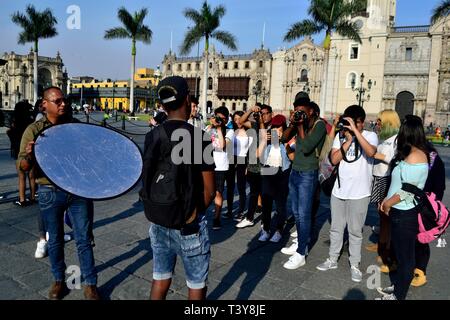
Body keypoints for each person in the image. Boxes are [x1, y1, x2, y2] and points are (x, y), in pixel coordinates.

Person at [18, 87, 100, 300]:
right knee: (54, 239)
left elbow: (91, 157)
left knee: (84, 238)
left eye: (64, 100)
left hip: (78, 191)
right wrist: (29, 155)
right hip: (49, 190)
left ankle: (90, 284)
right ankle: (58, 281)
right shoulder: (34, 130)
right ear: (44, 104)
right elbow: (23, 167)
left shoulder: (76, 127)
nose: (63, 104)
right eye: (58, 101)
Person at [140, 76, 215, 300]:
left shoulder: (153, 135)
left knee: (160, 279)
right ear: (188, 100)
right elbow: (210, 191)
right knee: (196, 285)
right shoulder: (199, 138)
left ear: (162, 105)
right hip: (189, 224)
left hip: (159, 220)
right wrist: (193, 212)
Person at [316, 105, 378, 283]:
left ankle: (355, 264)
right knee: (336, 228)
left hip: (360, 193)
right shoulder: (341, 137)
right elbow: (334, 159)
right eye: (348, 122)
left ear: (361, 122)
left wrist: (356, 135)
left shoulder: (370, 135)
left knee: (355, 231)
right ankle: (332, 259)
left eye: (354, 123)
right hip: (340, 191)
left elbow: (371, 152)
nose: (350, 126)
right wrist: (348, 140)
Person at [376, 115, 429, 300]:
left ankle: (399, 295)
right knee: (399, 253)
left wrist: (388, 203)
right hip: (399, 211)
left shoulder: (417, 156)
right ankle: (398, 285)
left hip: (405, 213)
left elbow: (410, 190)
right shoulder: (410, 153)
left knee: (406, 258)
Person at [280, 93, 327, 269]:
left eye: (302, 111)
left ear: (311, 110)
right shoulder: (300, 124)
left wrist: (300, 126)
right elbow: (284, 138)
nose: (299, 114)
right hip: (295, 171)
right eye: (296, 111)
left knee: (304, 213)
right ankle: (301, 243)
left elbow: (307, 148)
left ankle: (301, 253)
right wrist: (293, 123)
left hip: (308, 173)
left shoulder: (319, 125)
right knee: (297, 213)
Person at [366, 110, 401, 274]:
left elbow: (392, 159)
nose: (377, 124)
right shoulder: (384, 138)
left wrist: (375, 154)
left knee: (385, 215)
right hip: (377, 176)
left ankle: (386, 248)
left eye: (380, 121)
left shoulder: (395, 140)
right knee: (380, 213)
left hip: (385, 179)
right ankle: (381, 243)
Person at [256, 114, 292, 243]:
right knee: (266, 203)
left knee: (280, 205)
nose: (276, 130)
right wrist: (265, 140)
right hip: (267, 171)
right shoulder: (268, 140)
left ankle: (279, 230)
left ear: (284, 127)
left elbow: (292, 157)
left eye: (279, 127)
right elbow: (257, 155)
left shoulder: (288, 139)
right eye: (274, 127)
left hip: (282, 173)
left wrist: (285, 142)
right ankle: (265, 230)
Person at [235, 104, 272, 228]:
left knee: (267, 195)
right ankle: (249, 218)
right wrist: (251, 109)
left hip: (268, 167)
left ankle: (266, 222)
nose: (264, 116)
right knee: (253, 193)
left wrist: (261, 121)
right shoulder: (254, 125)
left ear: (271, 114)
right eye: (262, 113)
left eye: (266, 113)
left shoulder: (274, 128)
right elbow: (240, 121)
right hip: (254, 166)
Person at [205, 106, 234, 230]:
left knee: (218, 192)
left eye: (222, 119)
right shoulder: (208, 128)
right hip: (207, 163)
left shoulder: (230, 131)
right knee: (205, 191)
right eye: (218, 118)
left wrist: (218, 129)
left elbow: (222, 146)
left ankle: (217, 218)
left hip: (220, 166)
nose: (219, 121)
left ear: (227, 119)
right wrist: (211, 127)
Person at [7, 101, 36, 206]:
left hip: (19, 150)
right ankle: (32, 197)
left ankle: (22, 199)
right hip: (30, 150)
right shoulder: (31, 122)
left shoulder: (15, 121)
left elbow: (10, 133)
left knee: (21, 176)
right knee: (32, 175)